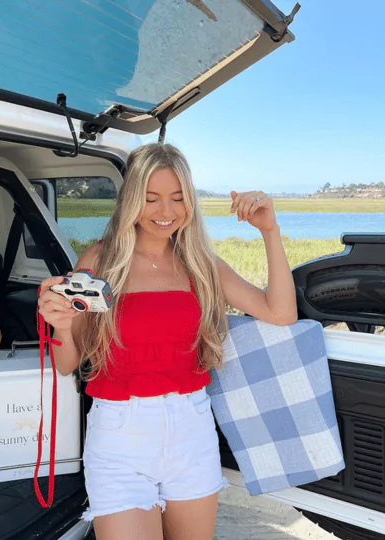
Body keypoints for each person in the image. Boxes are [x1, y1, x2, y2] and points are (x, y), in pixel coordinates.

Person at [37, 143, 297, 540]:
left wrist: (270, 231)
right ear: (130, 200)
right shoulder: (100, 261)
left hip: (191, 432)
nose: (166, 212)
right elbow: (67, 364)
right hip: (119, 437)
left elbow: (280, 313)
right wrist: (60, 326)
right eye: (151, 198)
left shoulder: (201, 263)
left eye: (178, 198)